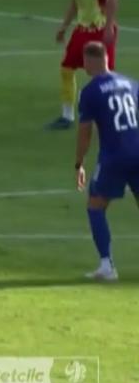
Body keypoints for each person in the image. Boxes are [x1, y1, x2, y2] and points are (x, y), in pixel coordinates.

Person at [74, 42, 139, 281]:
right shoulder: (132, 84)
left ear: (93, 60)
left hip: (114, 156)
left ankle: (107, 265)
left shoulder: (90, 91)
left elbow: (85, 131)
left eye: (85, 60)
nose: (83, 65)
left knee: (95, 206)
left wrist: (79, 163)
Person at [50, 0, 119, 130]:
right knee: (66, 69)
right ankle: (67, 116)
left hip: (99, 29)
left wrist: (108, 27)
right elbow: (76, 1)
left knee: (103, 76)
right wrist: (64, 26)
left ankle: (109, 116)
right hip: (82, 29)